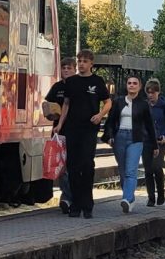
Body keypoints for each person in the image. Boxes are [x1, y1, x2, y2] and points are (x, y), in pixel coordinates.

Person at [54, 50, 112, 219]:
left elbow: (108, 102)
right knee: (72, 166)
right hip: (72, 128)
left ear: (91, 64)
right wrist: (60, 124)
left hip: (89, 129)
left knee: (87, 165)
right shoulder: (71, 82)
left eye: (85, 61)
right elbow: (66, 104)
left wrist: (100, 115)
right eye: (79, 61)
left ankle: (88, 205)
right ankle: (75, 205)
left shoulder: (97, 81)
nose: (81, 64)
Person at [102, 76, 158, 213]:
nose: (132, 85)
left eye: (135, 83)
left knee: (130, 171)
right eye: (129, 83)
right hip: (120, 137)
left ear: (139, 86)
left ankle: (126, 198)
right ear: (126, 86)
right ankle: (130, 199)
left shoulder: (143, 104)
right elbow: (110, 121)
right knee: (122, 171)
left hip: (136, 138)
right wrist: (109, 136)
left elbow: (150, 125)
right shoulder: (118, 101)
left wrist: (154, 144)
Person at [43, 57, 76, 214]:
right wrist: (51, 114)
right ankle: (66, 197)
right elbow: (48, 105)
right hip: (59, 131)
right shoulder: (57, 87)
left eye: (69, 68)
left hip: (76, 130)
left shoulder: (79, 86)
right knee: (61, 166)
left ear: (74, 69)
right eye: (64, 68)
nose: (66, 70)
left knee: (73, 165)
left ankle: (72, 197)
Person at [143, 78, 165, 207]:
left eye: (153, 92)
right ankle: (151, 197)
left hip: (159, 141)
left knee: (156, 167)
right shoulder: (144, 106)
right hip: (146, 141)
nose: (151, 95)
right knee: (147, 169)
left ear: (158, 92)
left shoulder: (164, 106)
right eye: (149, 92)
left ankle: (161, 193)